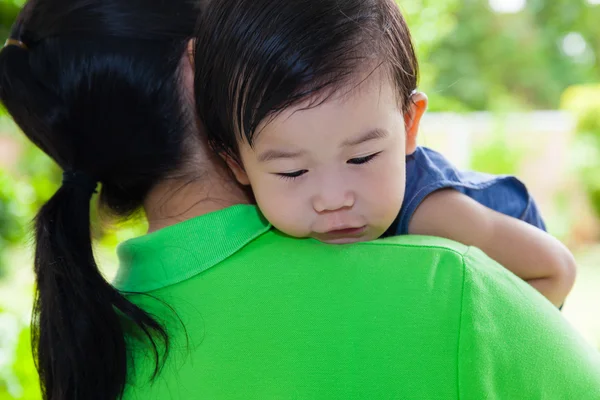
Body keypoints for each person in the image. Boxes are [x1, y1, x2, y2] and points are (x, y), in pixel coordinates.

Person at [1, 0, 599, 399]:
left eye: (362, 156)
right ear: (198, 68)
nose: (334, 198)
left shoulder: (91, 345)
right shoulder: (452, 287)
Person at [194, 0, 575, 308]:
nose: (333, 199)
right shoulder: (238, 224)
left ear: (409, 125)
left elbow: (555, 270)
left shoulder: (436, 215)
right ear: (236, 164)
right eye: (293, 172)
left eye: (361, 159)